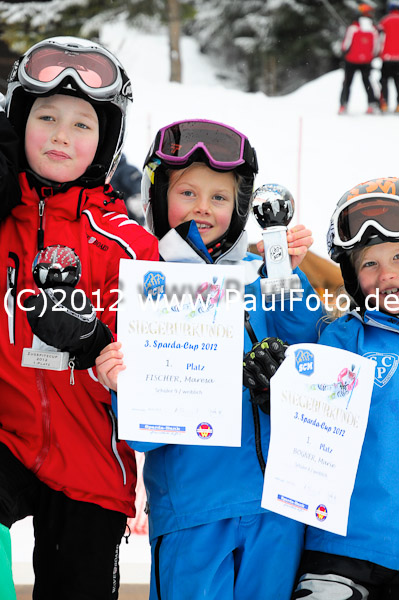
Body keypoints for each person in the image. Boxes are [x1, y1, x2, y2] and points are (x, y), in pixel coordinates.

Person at [95, 118, 325, 600]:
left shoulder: (262, 280)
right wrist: (122, 385)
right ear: (159, 200)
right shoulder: (146, 291)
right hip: (193, 513)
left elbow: (309, 349)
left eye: (219, 198)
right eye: (188, 193)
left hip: (277, 512)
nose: (204, 208)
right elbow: (138, 434)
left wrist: (284, 269)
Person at [0, 36, 158, 599]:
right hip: (9, 440)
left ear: (107, 141)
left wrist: (98, 345)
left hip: (90, 461)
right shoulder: (1, 223)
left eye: (82, 124)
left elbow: (167, 362)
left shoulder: (129, 244)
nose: (62, 136)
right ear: (18, 124)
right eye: (46, 117)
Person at [288, 177, 399, 598]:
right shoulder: (344, 337)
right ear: (352, 277)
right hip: (341, 546)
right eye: (370, 264)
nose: (387, 274)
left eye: (398, 257)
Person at [338, 3, 379, 115]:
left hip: (351, 60)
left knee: (347, 83)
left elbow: (345, 45)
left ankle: (343, 105)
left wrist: (345, 53)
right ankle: (372, 104)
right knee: (367, 82)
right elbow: (376, 48)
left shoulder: (353, 28)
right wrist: (370, 56)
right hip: (366, 61)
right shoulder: (373, 30)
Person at [378, 0, 399, 113]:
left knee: (384, 81)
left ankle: (384, 103)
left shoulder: (385, 21)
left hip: (387, 57)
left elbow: (379, 38)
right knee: (398, 81)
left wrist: (377, 53)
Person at [111, 153, 144, 224]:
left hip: (131, 218)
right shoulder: (110, 175)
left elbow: (138, 189)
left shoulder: (127, 170)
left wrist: (137, 196)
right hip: (118, 217)